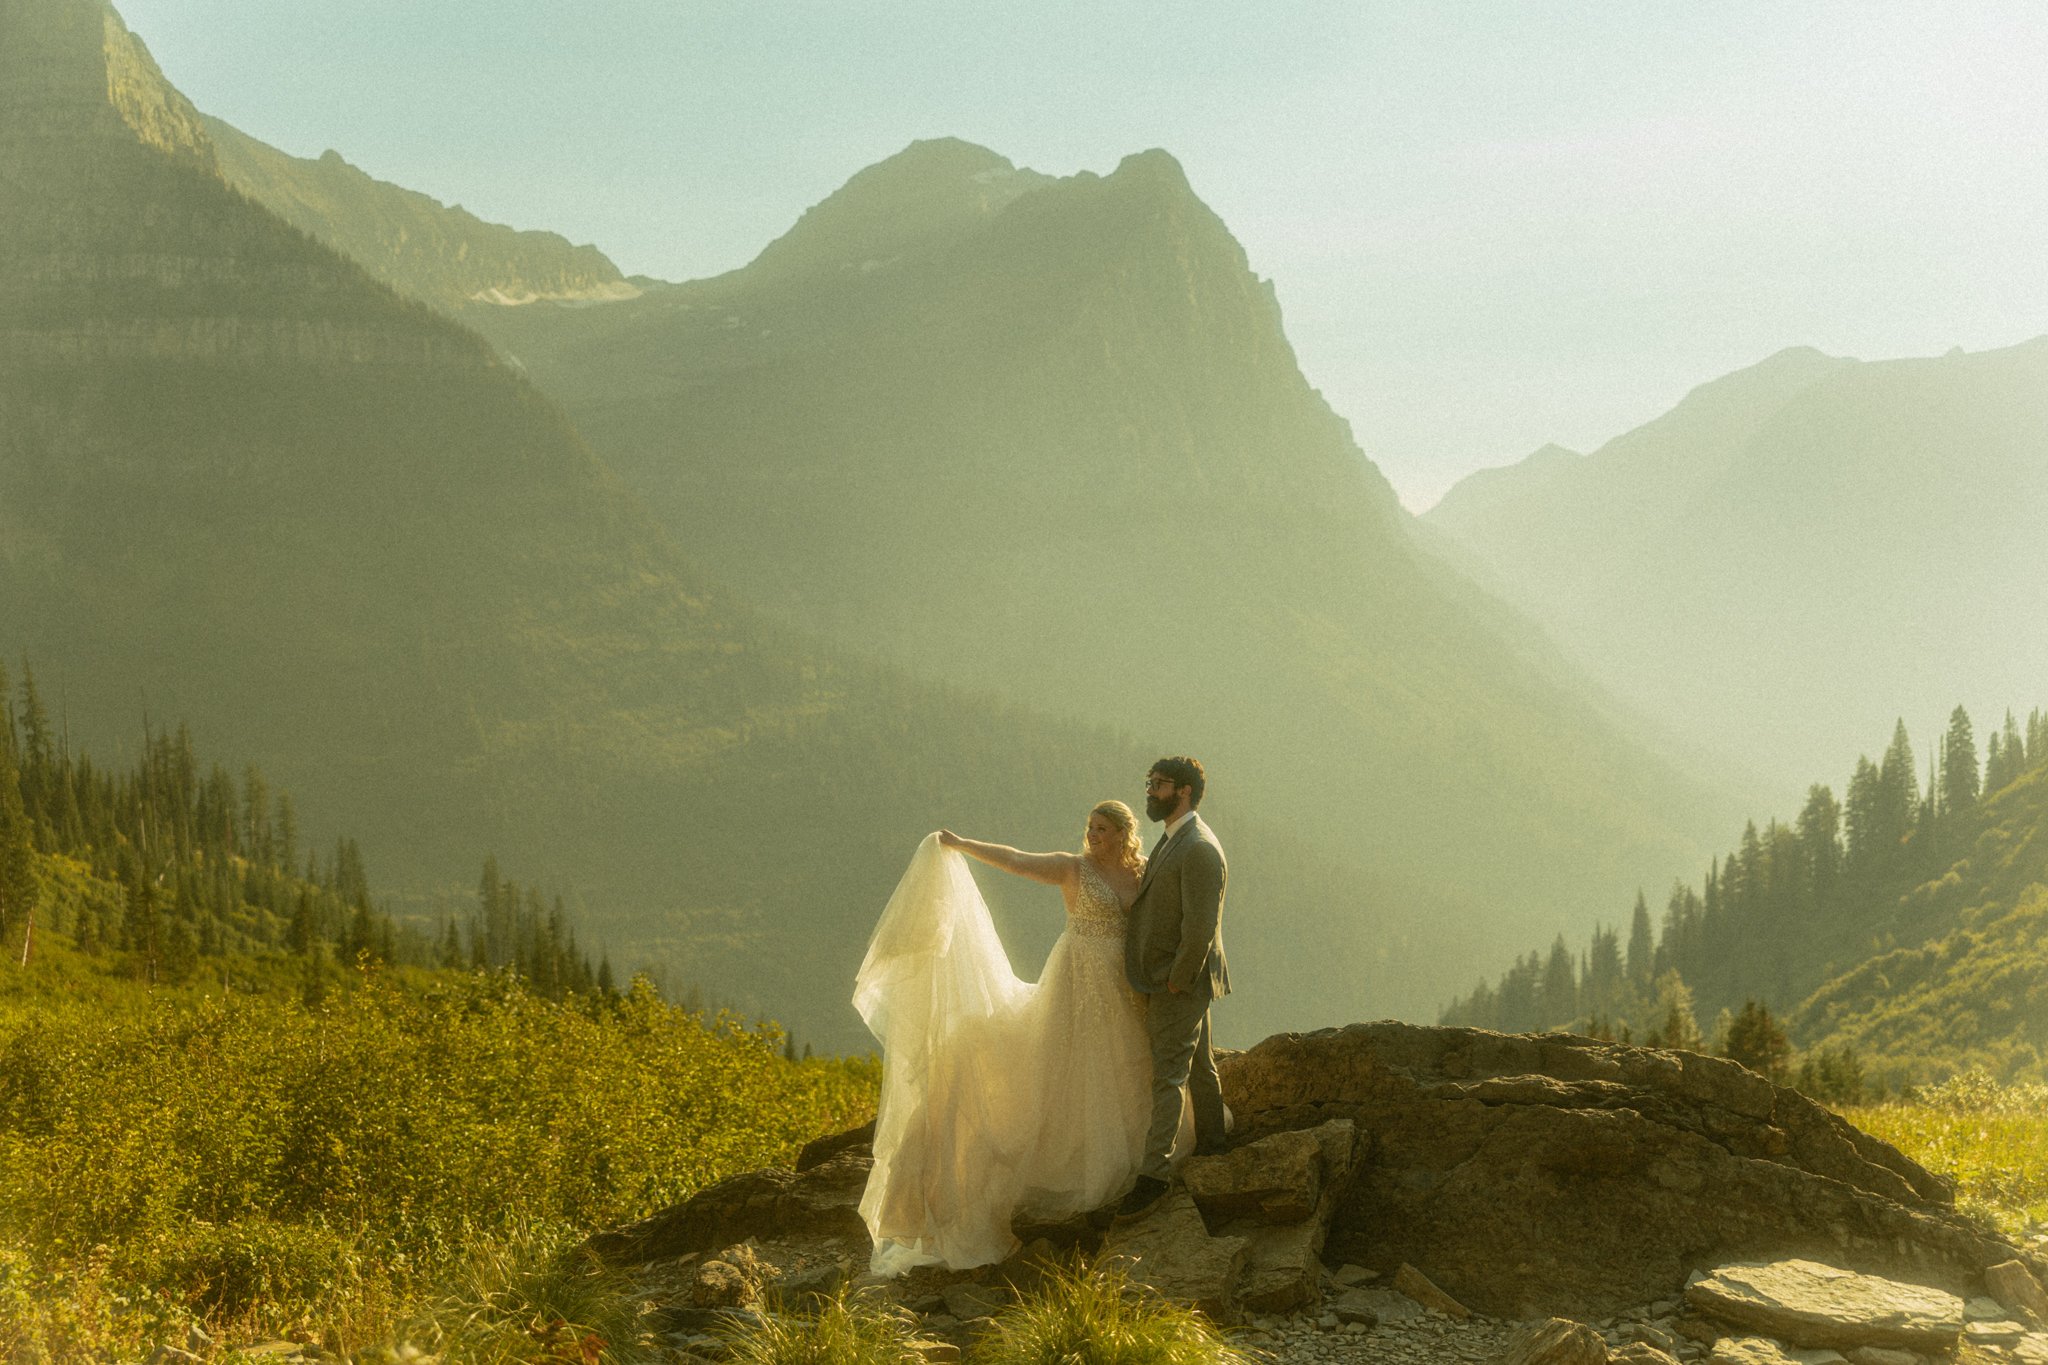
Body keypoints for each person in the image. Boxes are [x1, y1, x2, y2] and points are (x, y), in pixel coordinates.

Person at [853, 800, 1173, 1274]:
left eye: (1102, 828)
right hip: (1078, 978)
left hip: (1124, 984)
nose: (1092, 835)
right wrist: (962, 844)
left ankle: (1142, 1158)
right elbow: (1016, 859)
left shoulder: (1145, 871)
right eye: (1089, 826)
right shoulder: (1071, 868)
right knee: (1067, 1064)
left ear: (1125, 834)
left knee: (1124, 1064)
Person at [1117, 755, 1230, 1217]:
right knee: (1200, 1063)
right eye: (1150, 782)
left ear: (1183, 791)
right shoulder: (1173, 839)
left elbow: (1200, 927)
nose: (1149, 790)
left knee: (1167, 1075)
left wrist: (1176, 982)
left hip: (1178, 982)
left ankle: (1153, 1178)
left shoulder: (1198, 847)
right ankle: (1216, 1146)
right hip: (1175, 979)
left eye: (1158, 784)